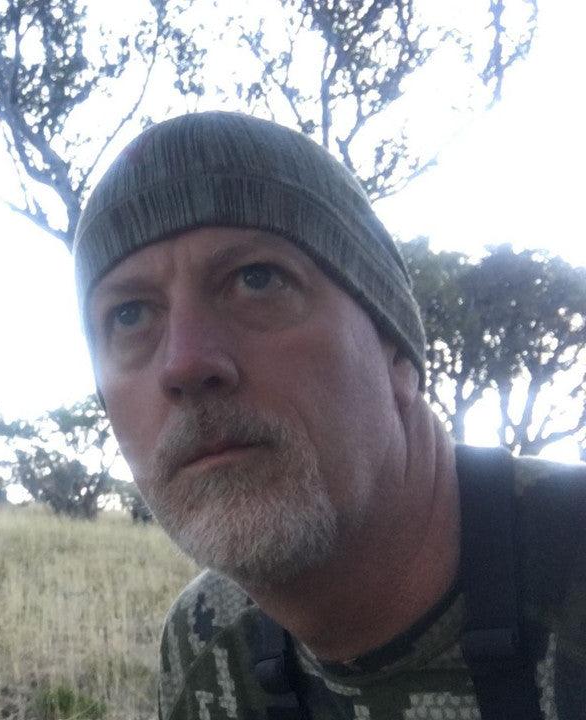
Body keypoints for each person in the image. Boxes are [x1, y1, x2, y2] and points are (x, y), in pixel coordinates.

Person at [72, 111, 585, 719]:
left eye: (256, 279)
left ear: (396, 351)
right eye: (128, 315)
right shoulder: (204, 642)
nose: (185, 364)